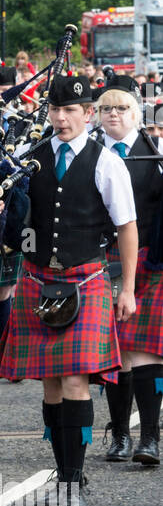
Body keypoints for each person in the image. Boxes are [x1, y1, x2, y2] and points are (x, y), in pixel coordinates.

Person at [0, 75, 138, 506]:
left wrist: (126, 288)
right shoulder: (30, 158)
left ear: (87, 114)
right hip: (37, 279)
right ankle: (62, 469)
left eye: (71, 110)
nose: (61, 118)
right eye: (55, 110)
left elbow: (127, 226)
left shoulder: (106, 162)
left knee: (75, 379)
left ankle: (73, 480)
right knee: (51, 384)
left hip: (87, 279)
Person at [93, 77, 163, 465]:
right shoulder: (90, 153)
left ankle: (149, 439)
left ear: (137, 114)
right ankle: (120, 434)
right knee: (116, 351)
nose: (114, 114)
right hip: (102, 259)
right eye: (106, 108)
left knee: (146, 350)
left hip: (151, 259)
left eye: (121, 108)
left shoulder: (156, 152)